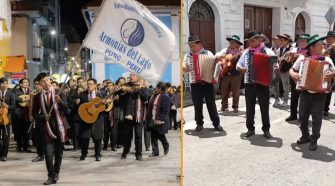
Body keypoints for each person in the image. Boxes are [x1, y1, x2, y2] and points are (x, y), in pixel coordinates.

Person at [289, 34, 335, 151]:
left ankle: (314, 139)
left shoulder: (327, 60)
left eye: (322, 45)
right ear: (312, 47)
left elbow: (333, 72)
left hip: (320, 93)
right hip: (305, 91)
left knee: (317, 118)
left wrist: (332, 74)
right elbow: (292, 69)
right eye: (319, 45)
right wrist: (293, 74)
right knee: (303, 116)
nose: (322, 47)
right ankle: (305, 135)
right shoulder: (302, 59)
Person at [236, 31, 275, 138]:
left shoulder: (268, 51)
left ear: (259, 40)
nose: (250, 43)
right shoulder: (247, 52)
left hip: (263, 84)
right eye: (249, 41)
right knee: (250, 107)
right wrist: (240, 68)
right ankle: (250, 128)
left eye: (253, 40)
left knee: (264, 107)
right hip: (249, 82)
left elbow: (274, 64)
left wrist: (274, 66)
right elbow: (239, 64)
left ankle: (266, 129)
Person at [32, 72, 69, 185]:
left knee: (59, 153)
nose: (46, 83)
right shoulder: (38, 96)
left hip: (60, 127)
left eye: (47, 80)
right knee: (48, 153)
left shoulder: (59, 92)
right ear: (40, 84)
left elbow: (67, 109)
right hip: (46, 128)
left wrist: (60, 102)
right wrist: (43, 117)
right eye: (43, 81)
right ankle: (50, 176)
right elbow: (34, 114)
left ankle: (56, 172)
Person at [183, 35, 223, 132]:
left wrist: (218, 69)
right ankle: (199, 123)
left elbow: (215, 65)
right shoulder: (188, 55)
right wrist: (184, 67)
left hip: (208, 83)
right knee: (197, 104)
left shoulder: (208, 53)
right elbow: (183, 64)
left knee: (211, 104)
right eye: (190, 46)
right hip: (195, 83)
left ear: (199, 44)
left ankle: (216, 123)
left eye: (193, 46)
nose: (191, 48)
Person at [121, 74, 149, 161]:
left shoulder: (142, 87)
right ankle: (125, 151)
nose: (131, 76)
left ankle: (138, 154)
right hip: (128, 115)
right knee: (127, 136)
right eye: (131, 75)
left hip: (138, 115)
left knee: (138, 135)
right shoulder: (126, 86)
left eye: (133, 75)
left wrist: (139, 89)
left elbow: (146, 97)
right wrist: (123, 90)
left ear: (137, 77)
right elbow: (120, 98)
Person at [77, 78, 106, 161]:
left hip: (98, 119)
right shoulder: (82, 94)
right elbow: (80, 107)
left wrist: (105, 104)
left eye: (91, 84)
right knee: (85, 137)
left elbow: (106, 108)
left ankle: (97, 154)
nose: (89, 85)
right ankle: (84, 153)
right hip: (86, 118)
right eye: (88, 84)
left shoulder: (100, 94)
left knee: (98, 137)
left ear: (95, 85)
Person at [215, 35, 243, 113]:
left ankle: (235, 107)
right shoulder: (225, 50)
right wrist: (220, 59)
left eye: (233, 42)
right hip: (226, 73)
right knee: (224, 91)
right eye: (230, 42)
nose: (230, 43)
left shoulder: (241, 53)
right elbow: (217, 56)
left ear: (237, 44)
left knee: (236, 91)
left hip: (236, 74)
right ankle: (224, 106)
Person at [285, 33, 310, 121]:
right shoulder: (294, 49)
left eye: (304, 41)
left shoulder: (310, 51)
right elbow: (287, 60)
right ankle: (293, 114)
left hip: (305, 75)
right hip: (294, 74)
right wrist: (288, 56)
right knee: (294, 96)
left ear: (308, 43)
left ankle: (303, 116)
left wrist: (298, 56)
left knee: (304, 97)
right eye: (300, 41)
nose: (301, 43)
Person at [146, 82, 170, 157]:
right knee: (153, 136)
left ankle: (166, 144)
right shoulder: (153, 95)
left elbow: (165, 109)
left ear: (160, 88)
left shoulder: (165, 96)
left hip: (159, 119)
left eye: (156, 87)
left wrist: (160, 119)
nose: (154, 88)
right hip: (152, 118)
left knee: (160, 134)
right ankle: (155, 152)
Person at [274, 34, 293, 106]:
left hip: (286, 69)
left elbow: (289, 59)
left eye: (282, 40)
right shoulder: (279, 49)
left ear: (287, 41)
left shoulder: (291, 49)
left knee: (286, 85)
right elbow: (277, 59)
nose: (280, 42)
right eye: (280, 40)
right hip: (279, 69)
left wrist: (284, 58)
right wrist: (278, 61)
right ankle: (277, 99)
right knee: (275, 84)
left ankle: (285, 100)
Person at [12, 78, 31, 152]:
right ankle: (19, 147)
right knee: (19, 131)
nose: (26, 83)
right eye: (25, 82)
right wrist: (22, 100)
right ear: (20, 84)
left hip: (27, 114)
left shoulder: (30, 91)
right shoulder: (17, 91)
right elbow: (15, 98)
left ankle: (26, 147)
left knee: (26, 131)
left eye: (27, 82)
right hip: (19, 114)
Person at [30, 78, 45, 162]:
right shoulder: (35, 96)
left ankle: (50, 153)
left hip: (49, 121)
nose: (36, 86)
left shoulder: (48, 95)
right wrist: (37, 117)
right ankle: (40, 155)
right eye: (35, 84)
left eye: (38, 84)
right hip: (39, 121)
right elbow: (34, 111)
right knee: (38, 139)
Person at [0, 78, 14, 161]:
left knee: (6, 137)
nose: (4, 85)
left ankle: (4, 155)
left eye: (5, 83)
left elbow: (13, 106)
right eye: (2, 83)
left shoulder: (10, 93)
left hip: (6, 119)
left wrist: (7, 106)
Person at [323, 31, 335, 116]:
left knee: (330, 91)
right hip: (326, 71)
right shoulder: (323, 47)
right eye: (328, 39)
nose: (330, 40)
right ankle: (324, 108)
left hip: (334, 72)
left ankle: (326, 108)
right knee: (326, 91)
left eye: (332, 38)